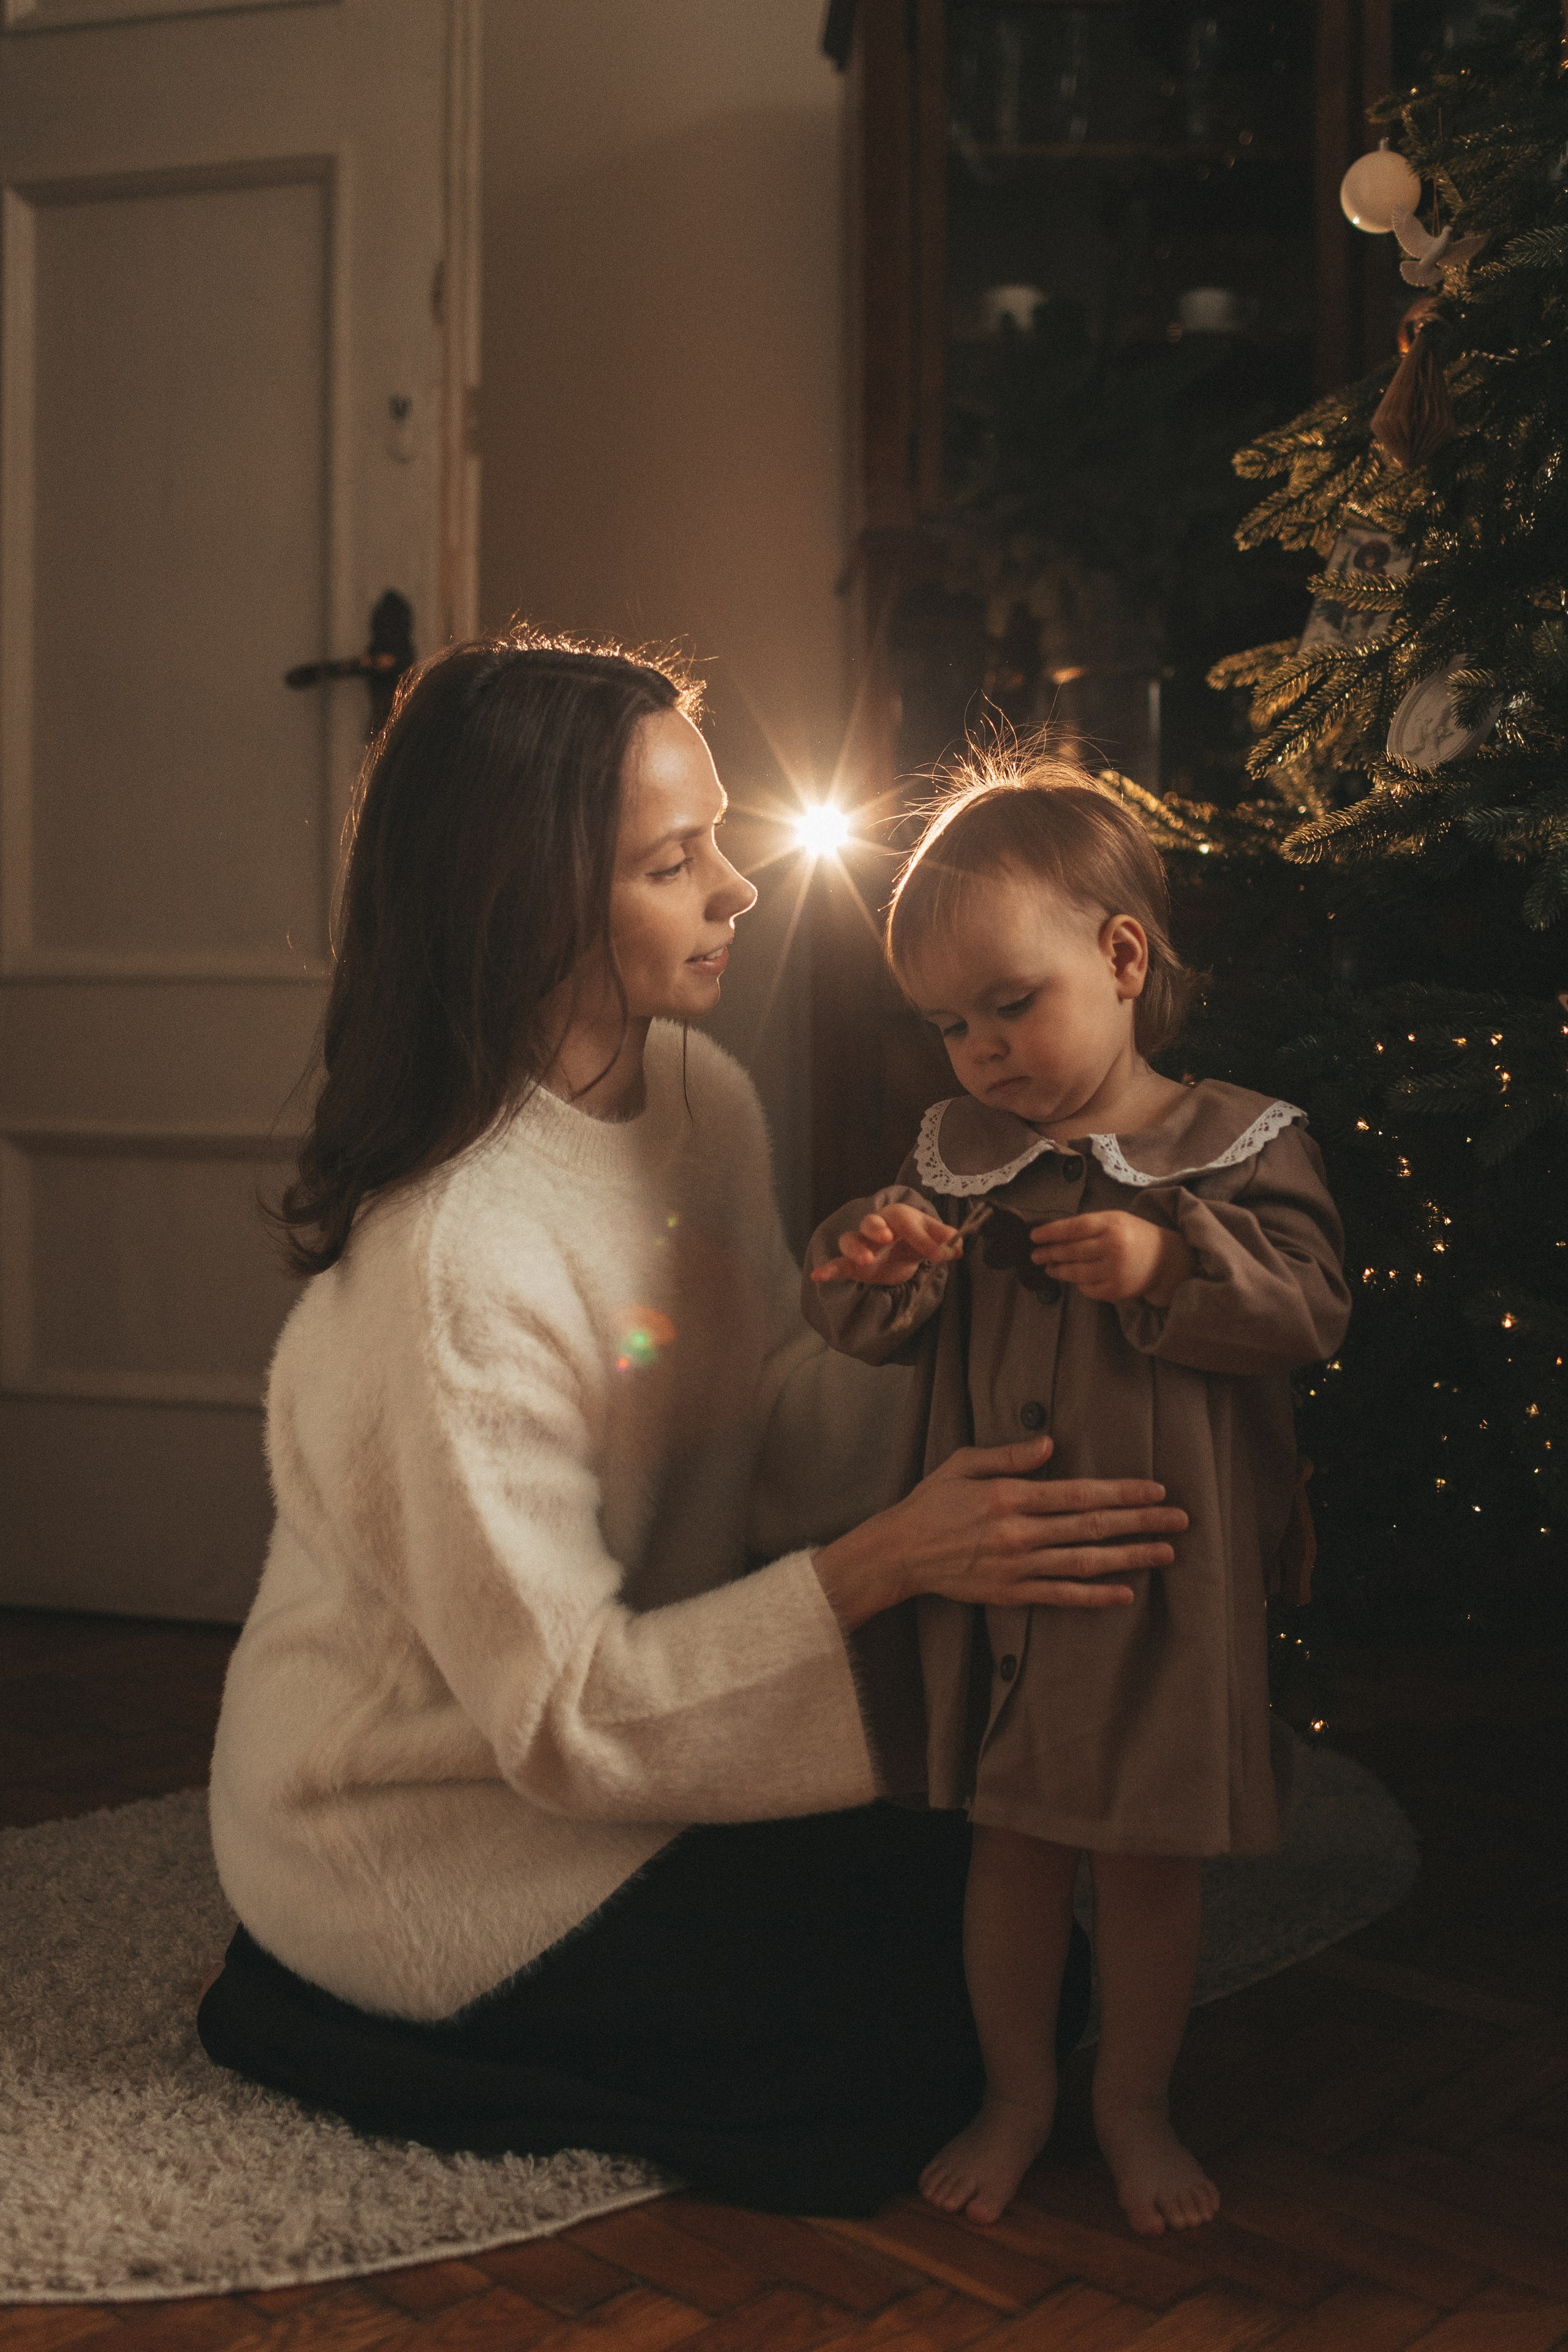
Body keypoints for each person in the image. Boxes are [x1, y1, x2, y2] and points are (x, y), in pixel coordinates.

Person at [197, 632, 1191, 2217]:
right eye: (676, 861)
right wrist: (883, 1564)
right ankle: (320, 2006)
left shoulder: (697, 1096)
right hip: (425, 1819)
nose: (735, 889)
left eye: (720, 834)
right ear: (530, 906)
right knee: (892, 2068)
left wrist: (878, 1337)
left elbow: (752, 1443)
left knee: (1024, 1944)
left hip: (629, 1739)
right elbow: (566, 1713)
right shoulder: (457, 1258)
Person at [804, 756, 1351, 2233]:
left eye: (1007, 1004)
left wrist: (1169, 1263)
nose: (978, 1052)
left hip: (1154, 1593)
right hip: (1001, 1588)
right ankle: (1017, 2091)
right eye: (946, 1025)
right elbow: (871, 1326)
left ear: (1119, 958)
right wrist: (876, 1262)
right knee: (1012, 1848)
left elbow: (1309, 1307)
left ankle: (1132, 2102)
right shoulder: (962, 1158)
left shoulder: (1231, 1141)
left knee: (1146, 1865)